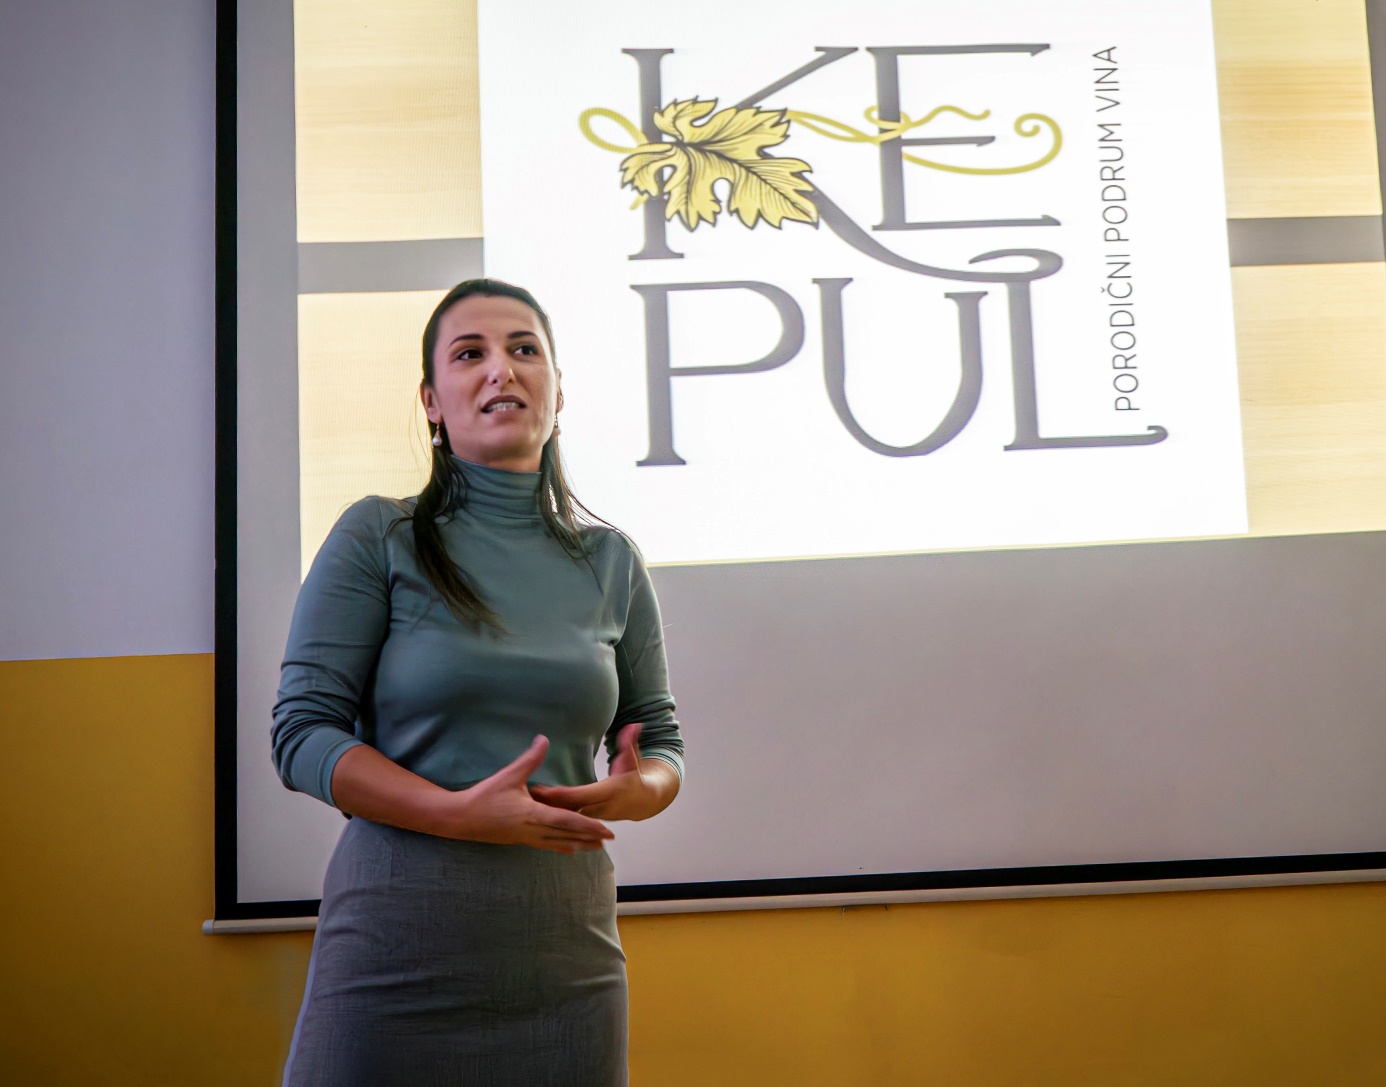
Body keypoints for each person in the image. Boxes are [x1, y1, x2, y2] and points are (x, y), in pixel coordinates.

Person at [272, 279, 684, 1086]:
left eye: (524, 349)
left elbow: (659, 739)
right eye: (471, 354)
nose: (502, 369)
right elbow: (302, 734)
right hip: (394, 951)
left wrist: (644, 788)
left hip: (566, 964)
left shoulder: (611, 561)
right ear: (431, 400)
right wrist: (455, 814)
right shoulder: (376, 535)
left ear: (558, 392)